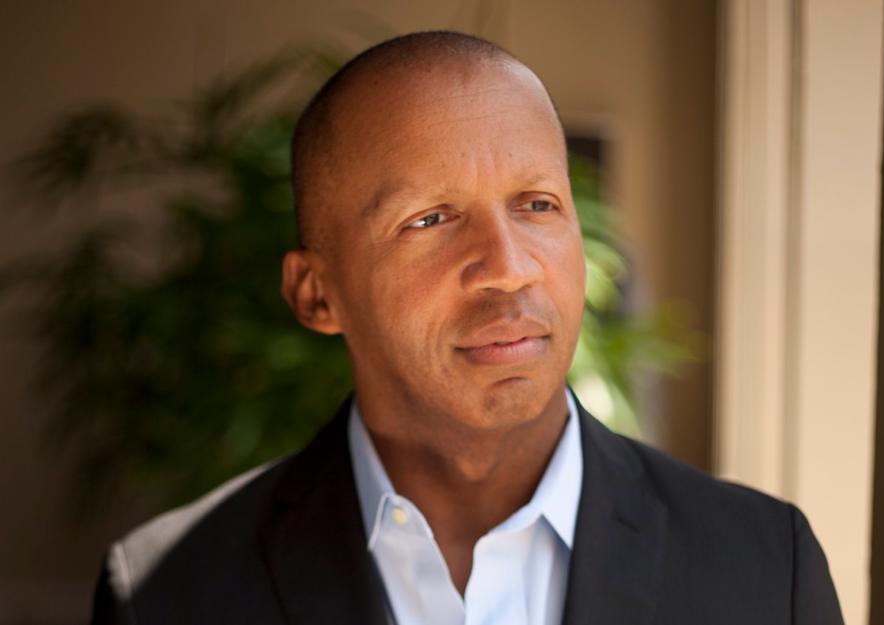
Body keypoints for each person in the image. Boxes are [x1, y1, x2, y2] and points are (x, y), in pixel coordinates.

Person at [90, 31, 843, 625]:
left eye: (538, 204)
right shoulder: (165, 590)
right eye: (430, 218)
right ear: (317, 293)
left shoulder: (766, 569)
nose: (508, 267)